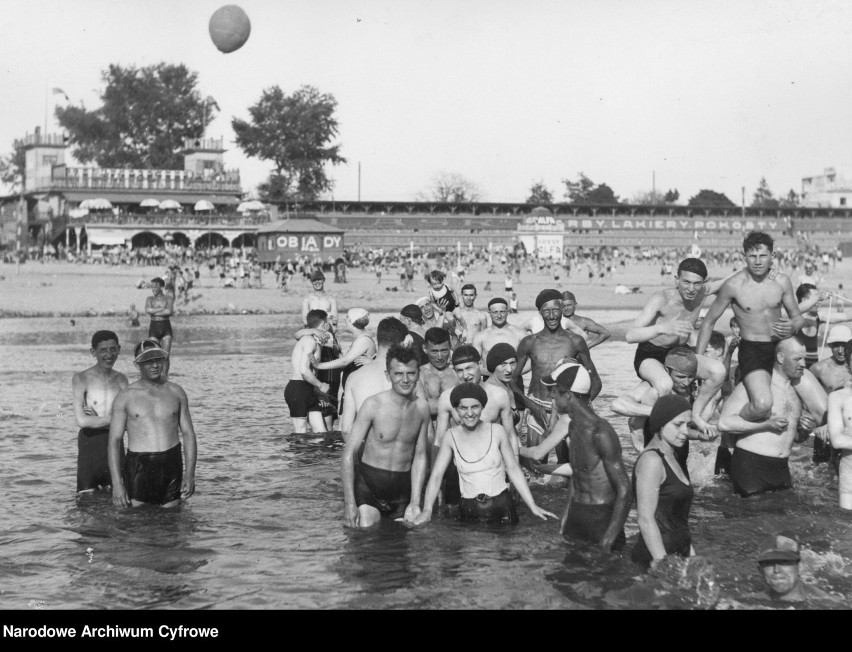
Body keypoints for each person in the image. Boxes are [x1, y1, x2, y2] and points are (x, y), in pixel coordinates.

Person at [696, 233, 804, 429]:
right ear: (744, 256)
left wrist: (794, 325)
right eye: (752, 256)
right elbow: (709, 321)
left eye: (763, 256)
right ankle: (732, 420)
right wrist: (697, 359)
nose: (757, 261)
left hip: (781, 348)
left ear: (772, 255)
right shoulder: (734, 285)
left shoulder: (782, 281)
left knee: (813, 407)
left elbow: (797, 317)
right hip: (752, 350)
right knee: (762, 405)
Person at [413, 383, 557, 525]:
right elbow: (437, 474)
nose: (469, 413)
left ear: (482, 407)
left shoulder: (497, 431)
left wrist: (532, 505)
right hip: (469, 508)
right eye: (463, 408)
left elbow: (513, 468)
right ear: (456, 409)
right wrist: (427, 509)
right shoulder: (450, 437)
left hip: (502, 507)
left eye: (475, 407)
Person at [529, 361, 631, 552]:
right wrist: (564, 522)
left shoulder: (601, 433)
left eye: (555, 391)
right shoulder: (573, 427)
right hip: (577, 516)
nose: (551, 396)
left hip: (601, 518)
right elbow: (577, 477)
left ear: (567, 395)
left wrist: (609, 539)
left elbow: (625, 489)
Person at [626, 257, 728, 436]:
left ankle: (695, 414)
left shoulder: (702, 292)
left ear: (704, 283)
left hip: (680, 353)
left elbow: (729, 280)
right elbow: (630, 335)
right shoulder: (661, 298)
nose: (691, 288)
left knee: (718, 371)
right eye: (686, 282)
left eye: (696, 283)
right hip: (651, 353)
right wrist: (661, 328)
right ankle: (638, 423)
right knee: (665, 384)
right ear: (676, 280)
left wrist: (762, 270)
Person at [718, 337, 827, 498]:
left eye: (804, 358)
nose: (803, 364)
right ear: (780, 357)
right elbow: (724, 423)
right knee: (750, 519)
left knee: (784, 520)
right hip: (751, 464)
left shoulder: (796, 391)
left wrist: (804, 431)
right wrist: (764, 425)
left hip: (781, 467)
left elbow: (793, 437)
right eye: (798, 359)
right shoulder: (756, 386)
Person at [341, 345, 430, 528]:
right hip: (368, 487)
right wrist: (350, 503)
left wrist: (415, 502)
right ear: (388, 375)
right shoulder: (373, 405)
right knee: (366, 535)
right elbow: (348, 454)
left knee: (405, 545)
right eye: (398, 374)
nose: (405, 380)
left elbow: (420, 455)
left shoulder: (422, 408)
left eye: (411, 373)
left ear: (418, 374)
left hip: (401, 490)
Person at [108, 339, 198, 508]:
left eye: (158, 359)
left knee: (172, 522)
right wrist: (117, 484)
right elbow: (114, 441)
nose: (155, 365)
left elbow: (188, 433)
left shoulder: (176, 391)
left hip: (171, 461)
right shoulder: (125, 397)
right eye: (148, 361)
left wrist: (190, 474)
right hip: (139, 465)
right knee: (138, 523)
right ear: (138, 364)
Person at [513, 289, 602, 450]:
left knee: (568, 466)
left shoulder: (575, 342)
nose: (552, 316)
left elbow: (595, 382)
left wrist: (578, 407)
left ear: (562, 310)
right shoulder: (529, 342)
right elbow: (512, 381)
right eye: (546, 311)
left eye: (555, 310)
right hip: (536, 408)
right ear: (540, 312)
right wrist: (531, 406)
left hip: (565, 412)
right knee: (535, 466)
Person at [611, 347, 716, 470]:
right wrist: (664, 412)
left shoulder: (695, 389)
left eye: (690, 377)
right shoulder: (652, 387)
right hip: (654, 446)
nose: (686, 383)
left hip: (679, 447)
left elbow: (681, 428)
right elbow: (617, 405)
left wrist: (699, 435)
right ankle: (636, 423)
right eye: (680, 377)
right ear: (667, 371)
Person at [632, 394, 695, 570]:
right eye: (677, 425)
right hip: (656, 560)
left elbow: (677, 520)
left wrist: (692, 559)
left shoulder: (672, 457)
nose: (685, 431)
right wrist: (663, 564)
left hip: (678, 554)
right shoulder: (652, 461)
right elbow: (645, 519)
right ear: (660, 423)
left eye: (688, 425)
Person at [71, 330, 129, 492]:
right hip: (91, 443)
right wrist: (115, 419)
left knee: (117, 494)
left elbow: (128, 422)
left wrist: (98, 419)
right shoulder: (81, 379)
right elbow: (81, 421)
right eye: (103, 350)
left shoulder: (122, 380)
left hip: (115, 441)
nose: (109, 354)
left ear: (119, 349)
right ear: (93, 352)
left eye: (112, 349)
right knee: (86, 497)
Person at [339, 317, 412, 438]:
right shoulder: (408, 376)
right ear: (401, 343)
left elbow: (346, 429)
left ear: (378, 340)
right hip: (402, 449)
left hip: (368, 449)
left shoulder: (354, 378)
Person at [312, 308, 377, 417]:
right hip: (353, 392)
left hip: (360, 394)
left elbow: (345, 361)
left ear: (352, 321)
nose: (344, 319)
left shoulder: (363, 340)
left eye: (347, 317)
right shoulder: (358, 339)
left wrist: (319, 365)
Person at [810, 324, 852, 468]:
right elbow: (805, 401)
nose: (840, 351)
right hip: (824, 430)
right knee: (821, 471)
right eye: (836, 345)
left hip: (848, 428)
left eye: (844, 345)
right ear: (829, 345)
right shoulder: (819, 369)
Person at [285, 309, 331, 434]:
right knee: (301, 433)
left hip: (308, 388)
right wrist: (320, 385)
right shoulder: (309, 341)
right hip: (298, 388)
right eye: (328, 322)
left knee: (321, 433)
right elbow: (304, 370)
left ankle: (318, 454)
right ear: (324, 325)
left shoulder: (314, 340)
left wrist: (317, 391)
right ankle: (299, 453)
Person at [757, 534, 836, 603]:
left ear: (800, 566)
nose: (777, 570)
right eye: (769, 563)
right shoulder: (750, 602)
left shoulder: (828, 603)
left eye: (784, 562)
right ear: (760, 570)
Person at [472, 297, 527, 379]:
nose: (499, 315)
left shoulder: (520, 334)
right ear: (489, 313)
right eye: (495, 312)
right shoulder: (480, 337)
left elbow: (531, 360)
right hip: (489, 381)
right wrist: (490, 374)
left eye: (502, 312)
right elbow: (473, 363)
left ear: (507, 312)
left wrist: (515, 373)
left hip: (515, 380)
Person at [826, 339, 852, 509]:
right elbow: (836, 440)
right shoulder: (837, 398)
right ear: (849, 364)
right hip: (850, 468)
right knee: (846, 525)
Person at [417, 327, 459, 419]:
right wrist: (457, 402)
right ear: (425, 349)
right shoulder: (419, 373)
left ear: (450, 347)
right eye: (434, 351)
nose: (440, 357)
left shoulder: (457, 371)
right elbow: (421, 407)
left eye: (444, 350)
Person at [145, 277, 174, 380]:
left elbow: (169, 312)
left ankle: (165, 377)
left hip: (166, 327)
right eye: (152, 287)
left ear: (161, 287)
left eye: (155, 287)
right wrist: (161, 309)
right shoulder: (150, 299)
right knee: (154, 355)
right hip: (154, 327)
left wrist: (155, 311)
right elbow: (147, 310)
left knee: (165, 355)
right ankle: (155, 376)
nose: (153, 289)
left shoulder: (168, 298)